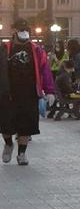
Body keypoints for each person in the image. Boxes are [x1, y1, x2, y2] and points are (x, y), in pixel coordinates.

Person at [1, 18, 55, 165]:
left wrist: (49, 90)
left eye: (25, 30)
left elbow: (45, 70)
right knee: (5, 125)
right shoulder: (4, 49)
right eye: (20, 29)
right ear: (14, 31)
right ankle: (9, 144)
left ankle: (21, 154)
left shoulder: (36, 50)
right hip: (7, 94)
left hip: (29, 93)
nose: (23, 33)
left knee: (26, 126)